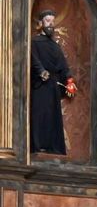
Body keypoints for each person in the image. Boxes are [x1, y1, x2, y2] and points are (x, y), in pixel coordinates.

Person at [30, 10, 73, 155]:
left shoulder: (55, 46)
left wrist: (69, 81)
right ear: (41, 23)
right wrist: (41, 71)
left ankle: (52, 147)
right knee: (40, 115)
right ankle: (38, 146)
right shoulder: (34, 42)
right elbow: (33, 59)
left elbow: (63, 66)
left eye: (52, 22)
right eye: (48, 21)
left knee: (52, 117)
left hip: (53, 86)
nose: (51, 24)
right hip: (40, 85)